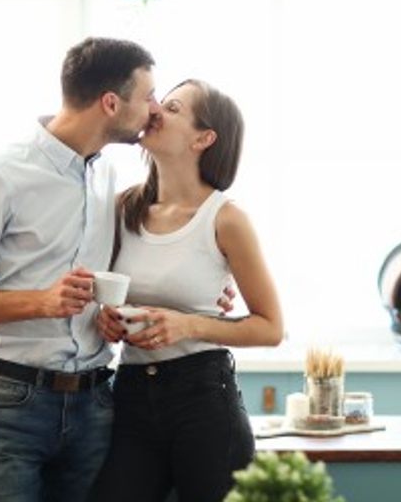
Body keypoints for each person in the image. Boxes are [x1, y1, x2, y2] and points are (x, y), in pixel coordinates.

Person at [0, 37, 161, 502]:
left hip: (96, 400)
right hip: (13, 402)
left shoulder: (106, 176)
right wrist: (42, 301)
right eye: (149, 96)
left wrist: (106, 316)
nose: (155, 109)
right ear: (111, 103)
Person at [89, 79, 284, 502]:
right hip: (131, 393)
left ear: (204, 137)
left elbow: (271, 328)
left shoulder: (226, 219)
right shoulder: (123, 208)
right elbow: (101, 289)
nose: (156, 110)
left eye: (173, 107)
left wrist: (188, 325)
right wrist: (105, 317)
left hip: (203, 401)